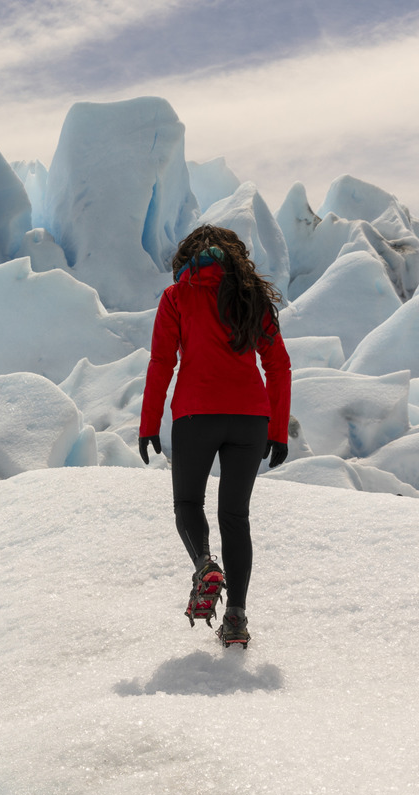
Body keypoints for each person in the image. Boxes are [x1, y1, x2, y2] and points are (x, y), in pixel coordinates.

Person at [137, 225, 291, 648]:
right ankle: (237, 619)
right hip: (250, 420)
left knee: (188, 503)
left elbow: (161, 362)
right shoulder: (250, 297)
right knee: (235, 517)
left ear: (188, 258)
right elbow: (278, 365)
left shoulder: (176, 297)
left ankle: (206, 566)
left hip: (196, 415)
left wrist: (148, 424)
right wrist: (277, 431)